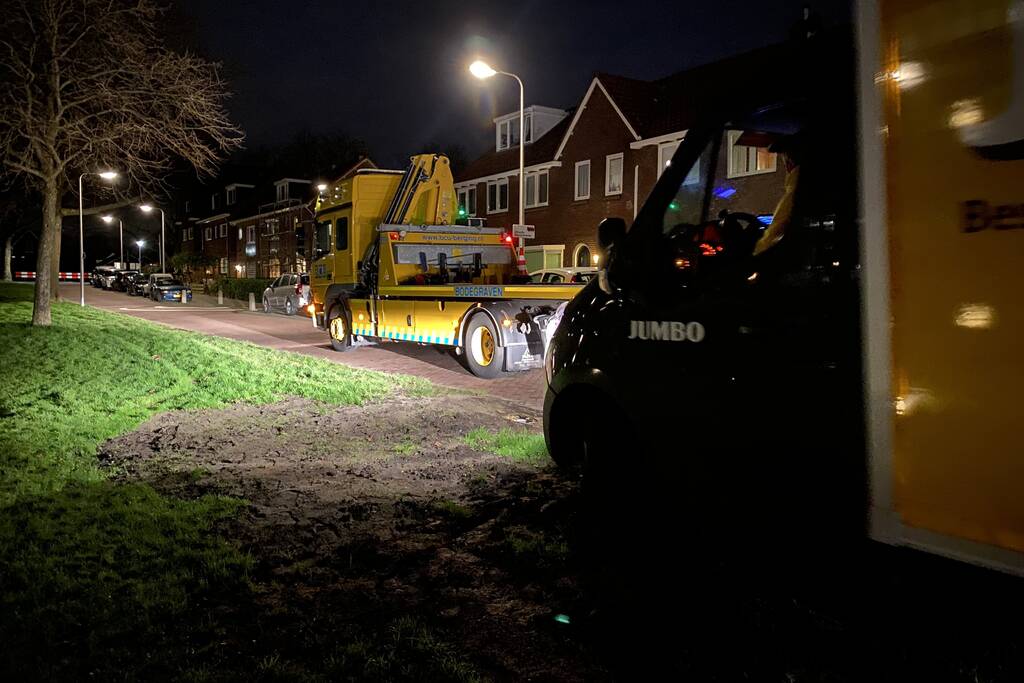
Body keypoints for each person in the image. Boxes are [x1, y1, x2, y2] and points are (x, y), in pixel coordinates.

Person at [753, 136, 802, 255]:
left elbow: (774, 233)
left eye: (784, 157)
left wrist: (754, 258)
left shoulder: (796, 191)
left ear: (789, 161)